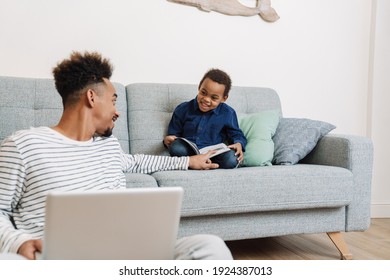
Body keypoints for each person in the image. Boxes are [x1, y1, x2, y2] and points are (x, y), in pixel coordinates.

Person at [0, 51, 233, 260]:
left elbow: (135, 161)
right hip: (56, 258)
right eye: (113, 101)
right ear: (91, 98)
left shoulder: (108, 145)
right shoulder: (23, 145)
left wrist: (188, 161)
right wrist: (17, 242)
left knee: (210, 247)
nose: (117, 111)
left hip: (123, 255)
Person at [163, 69, 247, 169]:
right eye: (203, 93)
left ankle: (206, 162)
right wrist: (168, 140)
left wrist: (239, 143)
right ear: (199, 87)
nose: (206, 99)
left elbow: (236, 133)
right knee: (176, 148)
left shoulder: (228, 113)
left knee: (232, 159)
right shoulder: (183, 109)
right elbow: (173, 134)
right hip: (189, 151)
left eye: (214, 98)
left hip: (213, 153)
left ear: (223, 98)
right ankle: (196, 162)